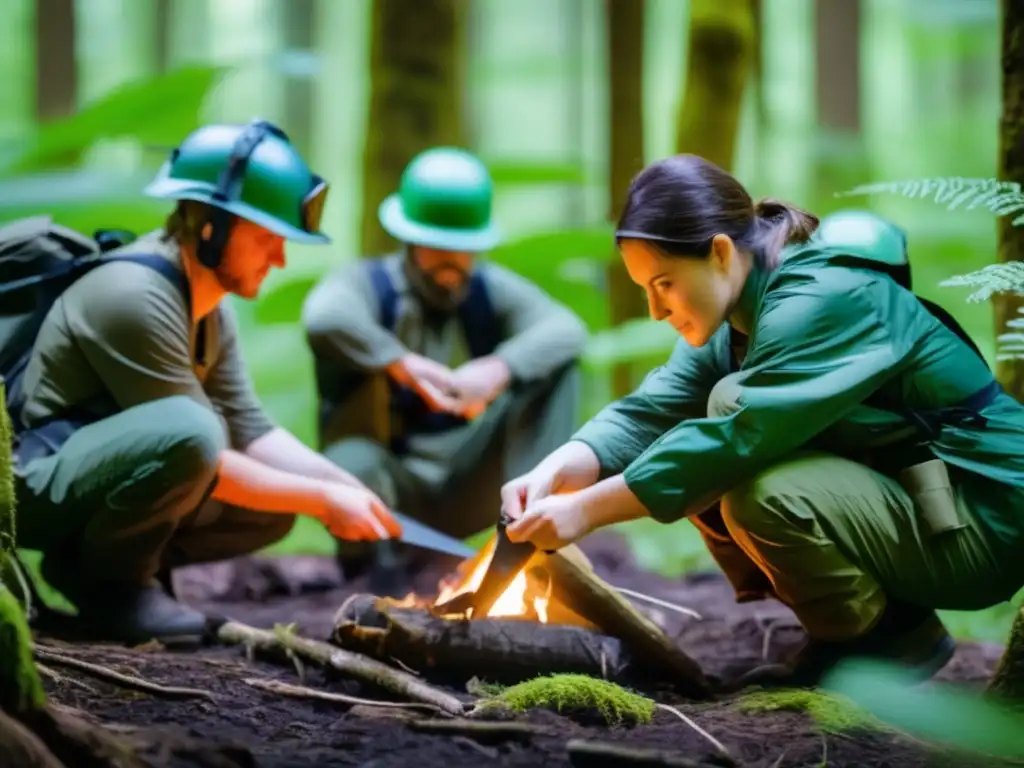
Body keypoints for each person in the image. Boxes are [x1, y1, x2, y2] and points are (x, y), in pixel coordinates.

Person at [499, 153, 1024, 688]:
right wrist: (561, 465)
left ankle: (881, 643)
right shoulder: (738, 317)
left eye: (663, 284)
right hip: (927, 502)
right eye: (645, 291)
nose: (655, 310)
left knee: (754, 485)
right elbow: (651, 410)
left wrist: (585, 512)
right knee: (711, 428)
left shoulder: (822, 299)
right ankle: (883, 630)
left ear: (720, 253)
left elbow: (733, 438)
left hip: (986, 516)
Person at [11, 119, 400, 644]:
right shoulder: (132, 296)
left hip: (86, 476)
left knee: (272, 509)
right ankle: (111, 585)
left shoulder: (209, 303)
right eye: (267, 239)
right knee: (196, 435)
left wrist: (342, 487)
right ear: (211, 226)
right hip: (27, 485)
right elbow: (201, 449)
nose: (280, 258)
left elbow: (250, 426)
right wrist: (321, 501)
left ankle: (112, 568)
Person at [302, 146, 588, 587]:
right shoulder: (367, 284)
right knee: (351, 458)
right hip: (386, 491)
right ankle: (371, 572)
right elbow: (324, 317)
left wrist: (499, 369)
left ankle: (529, 536)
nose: (451, 262)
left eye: (464, 248)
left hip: (465, 482)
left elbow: (567, 329)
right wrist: (401, 364)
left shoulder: (488, 291)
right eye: (437, 247)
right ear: (409, 240)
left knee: (557, 371)